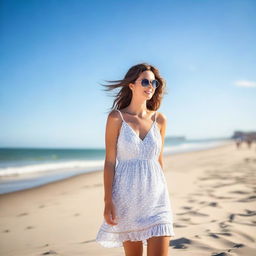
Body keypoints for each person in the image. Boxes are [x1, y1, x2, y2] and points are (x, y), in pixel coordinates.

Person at [96, 63, 175, 256]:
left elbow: (159, 160)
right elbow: (109, 162)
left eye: (154, 82)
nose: (151, 86)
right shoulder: (117, 118)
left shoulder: (160, 120)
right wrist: (108, 201)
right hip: (127, 198)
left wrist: (162, 191)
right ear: (131, 85)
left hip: (157, 198)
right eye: (145, 81)